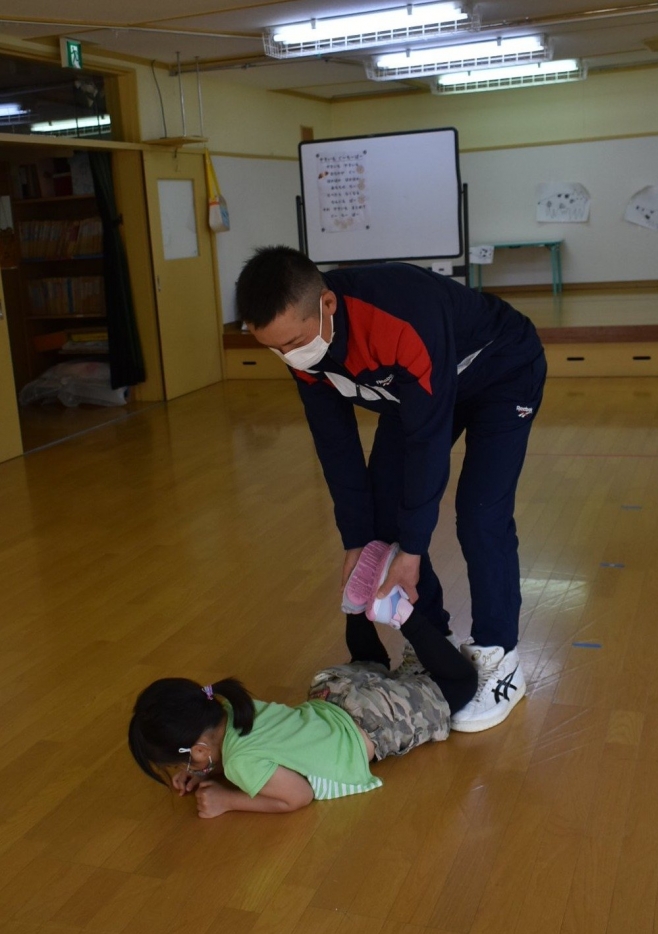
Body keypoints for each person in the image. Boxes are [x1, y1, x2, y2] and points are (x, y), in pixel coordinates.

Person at [235, 246, 546, 732]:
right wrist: (356, 541)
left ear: (327, 305)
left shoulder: (400, 317)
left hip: (500, 373)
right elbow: (335, 446)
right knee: (382, 514)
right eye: (275, 349)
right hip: (421, 391)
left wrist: (413, 550)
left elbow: (427, 443)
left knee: (480, 513)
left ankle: (499, 654)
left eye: (294, 342)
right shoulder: (300, 343)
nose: (290, 356)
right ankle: (433, 644)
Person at [128, 541, 478, 818]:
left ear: (200, 750)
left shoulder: (239, 765)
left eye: (184, 762)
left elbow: (297, 796)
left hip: (373, 722)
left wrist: (228, 800)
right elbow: (244, 750)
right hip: (335, 692)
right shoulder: (229, 707)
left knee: (460, 684)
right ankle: (356, 608)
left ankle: (400, 614)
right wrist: (203, 771)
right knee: (371, 663)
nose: (188, 769)